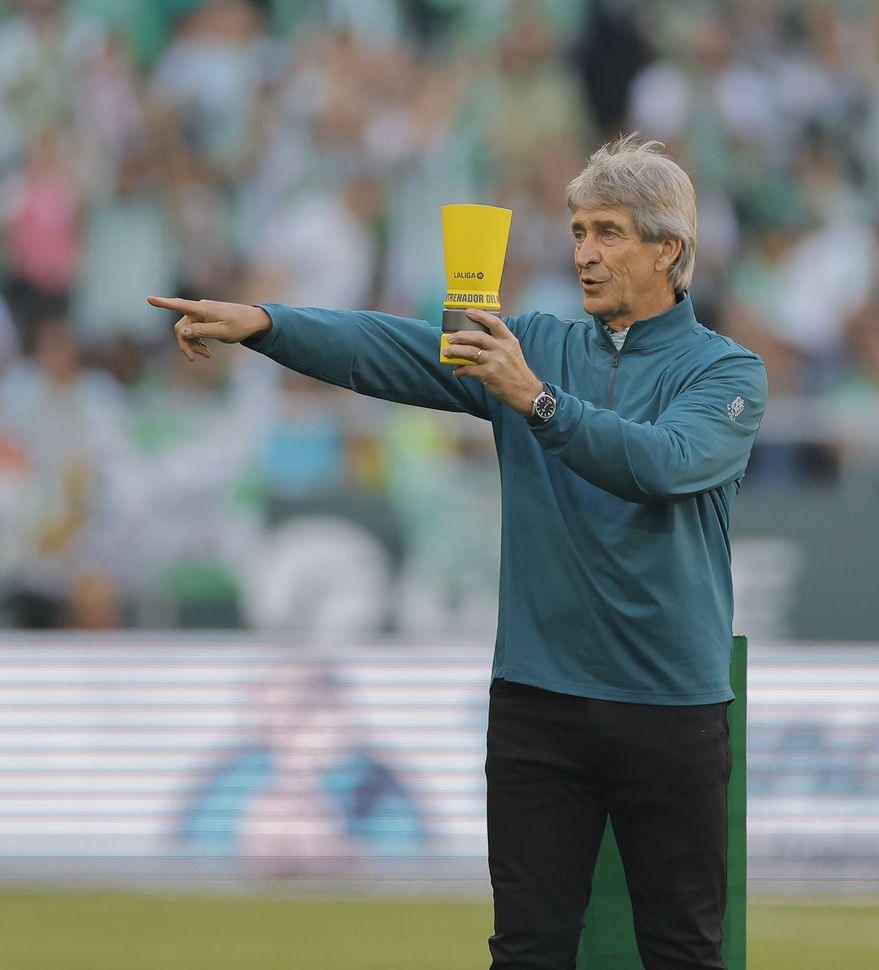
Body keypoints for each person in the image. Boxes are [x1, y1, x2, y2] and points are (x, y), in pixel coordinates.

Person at [149, 134, 766, 970]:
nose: (584, 253)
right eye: (579, 230)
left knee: (682, 953)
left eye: (610, 232)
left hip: (670, 706)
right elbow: (392, 351)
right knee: (525, 951)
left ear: (669, 249)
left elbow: (660, 465)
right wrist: (268, 325)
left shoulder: (726, 372)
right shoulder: (538, 345)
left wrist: (537, 403)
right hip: (537, 701)